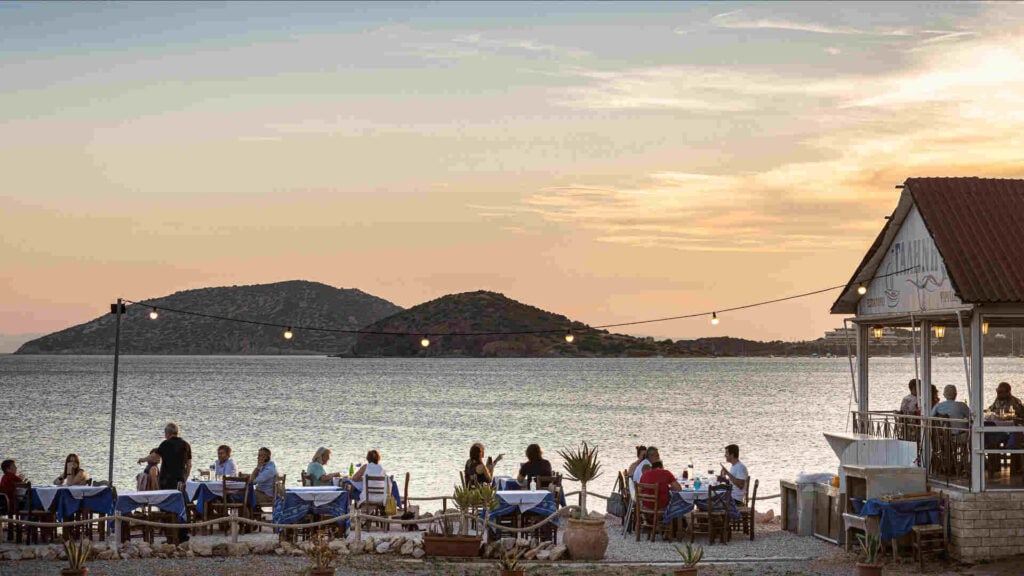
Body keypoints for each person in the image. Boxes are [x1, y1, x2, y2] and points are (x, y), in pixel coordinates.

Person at [138, 422, 192, 489]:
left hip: (166, 481)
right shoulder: (186, 445)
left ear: (167, 433)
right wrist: (184, 479)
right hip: (179, 481)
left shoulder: (165, 444)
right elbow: (189, 465)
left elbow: (154, 456)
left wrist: (142, 459)